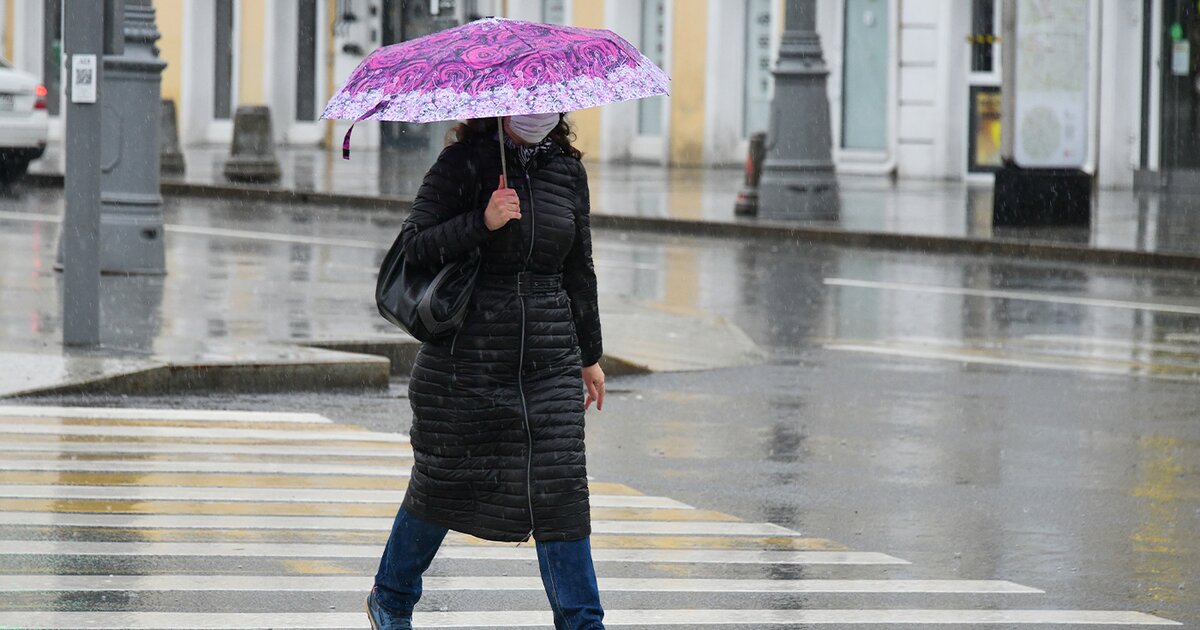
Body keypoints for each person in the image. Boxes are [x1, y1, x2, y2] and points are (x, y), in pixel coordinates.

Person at [366, 112, 607, 630]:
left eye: (550, 101)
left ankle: (583, 623)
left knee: (561, 494)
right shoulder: (463, 163)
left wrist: (590, 355)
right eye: (529, 101)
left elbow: (578, 268)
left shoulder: (567, 172)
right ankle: (392, 596)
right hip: (466, 363)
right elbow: (416, 245)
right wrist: (484, 220)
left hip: (549, 359)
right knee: (443, 486)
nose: (539, 110)